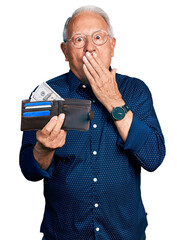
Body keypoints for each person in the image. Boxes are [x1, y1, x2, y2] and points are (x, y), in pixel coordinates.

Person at [20, 5, 166, 240]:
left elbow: (153, 157)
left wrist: (114, 100)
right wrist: (44, 149)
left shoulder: (136, 91)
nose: (90, 47)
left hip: (125, 234)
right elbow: (28, 169)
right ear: (65, 51)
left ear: (112, 45)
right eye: (79, 40)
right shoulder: (46, 94)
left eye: (98, 37)